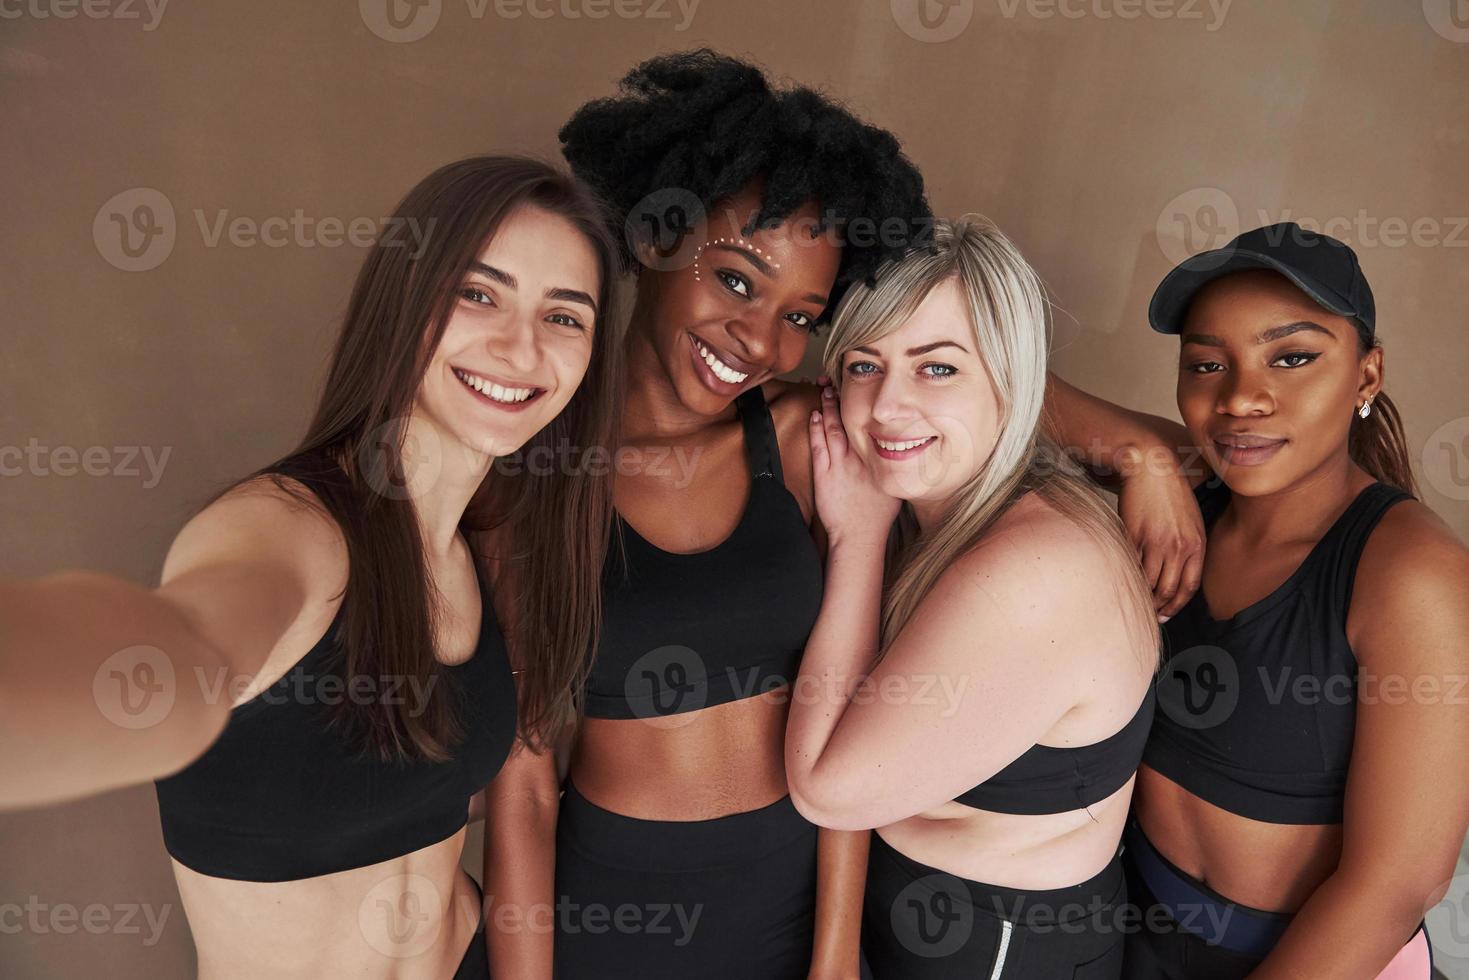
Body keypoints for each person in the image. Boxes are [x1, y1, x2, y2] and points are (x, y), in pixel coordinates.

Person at [483, 50, 1206, 980]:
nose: (757, 338)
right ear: (658, 239)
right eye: (737, 280)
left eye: (801, 315)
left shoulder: (802, 435)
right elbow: (526, 782)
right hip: (606, 908)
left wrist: (830, 959)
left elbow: (960, 367)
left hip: (796, 906)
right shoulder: (531, 478)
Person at [0, 155, 624, 980]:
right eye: (479, 293)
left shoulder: (475, 551)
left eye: (564, 316)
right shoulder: (289, 532)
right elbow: (176, 649)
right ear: (406, 299)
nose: (520, 346)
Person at [785, 216, 1160, 978]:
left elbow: (828, 788)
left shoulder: (1033, 567)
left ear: (1011, 379)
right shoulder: (948, 517)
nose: (887, 405)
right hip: (933, 918)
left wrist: (856, 540)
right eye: (863, 364)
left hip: (1000, 945)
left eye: (937, 368)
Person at [1123, 222, 1469, 978]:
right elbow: (1016, 395)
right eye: (1206, 363)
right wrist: (1141, 453)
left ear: (1366, 375)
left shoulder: (1411, 573)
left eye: (1292, 357)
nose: (1242, 398)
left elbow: (1396, 885)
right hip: (1139, 934)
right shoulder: (1183, 503)